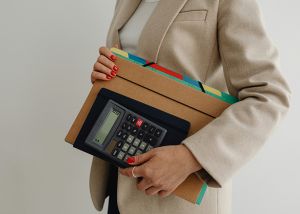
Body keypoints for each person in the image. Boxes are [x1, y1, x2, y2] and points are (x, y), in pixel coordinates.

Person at [89, 0, 291, 213]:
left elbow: (269, 95)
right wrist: (108, 73)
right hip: (119, 174)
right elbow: (137, 68)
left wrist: (190, 157)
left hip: (178, 194)